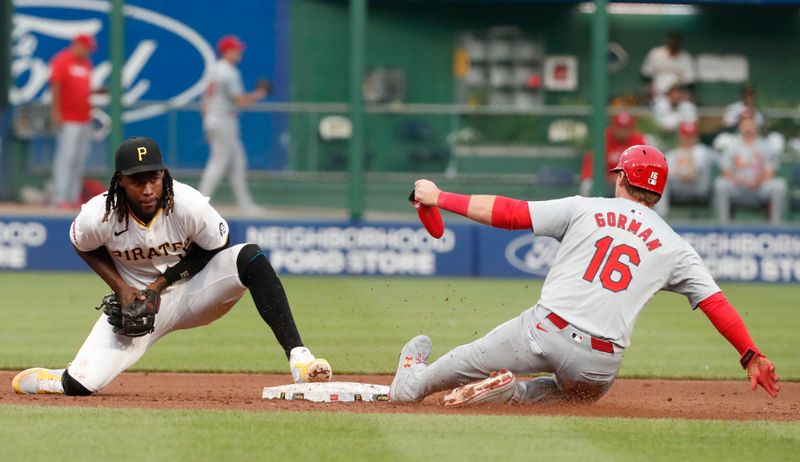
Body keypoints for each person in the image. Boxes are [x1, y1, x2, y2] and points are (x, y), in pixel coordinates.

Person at [390, 145, 779, 407]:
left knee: (472, 356)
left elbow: (510, 213)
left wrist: (441, 197)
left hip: (545, 332)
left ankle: (411, 387)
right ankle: (512, 395)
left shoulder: (584, 208)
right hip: (599, 364)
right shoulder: (676, 246)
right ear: (657, 194)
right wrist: (750, 355)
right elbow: (715, 303)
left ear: (621, 178)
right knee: (575, 396)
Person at [12, 136, 331, 395]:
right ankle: (59, 378)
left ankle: (299, 358)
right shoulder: (99, 215)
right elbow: (81, 244)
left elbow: (218, 245)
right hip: (137, 308)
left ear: (163, 174)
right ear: (121, 181)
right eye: (138, 181)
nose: (148, 188)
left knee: (249, 257)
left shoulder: (188, 204)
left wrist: (158, 286)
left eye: (154, 177)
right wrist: (122, 288)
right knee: (81, 386)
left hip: (195, 290)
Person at [199, 35, 270, 215]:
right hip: (224, 119)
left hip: (214, 117)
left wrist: (206, 124)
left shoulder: (214, 68)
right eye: (236, 50)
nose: (239, 53)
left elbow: (204, 99)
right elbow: (240, 101)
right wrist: (259, 94)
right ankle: (199, 204)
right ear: (227, 51)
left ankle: (246, 205)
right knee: (218, 164)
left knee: (237, 162)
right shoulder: (229, 72)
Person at [49, 34, 96, 208]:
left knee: (79, 158)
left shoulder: (86, 64)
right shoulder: (62, 60)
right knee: (65, 157)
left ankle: (72, 196)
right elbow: (56, 86)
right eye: (87, 48)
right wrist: (56, 111)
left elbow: (83, 89)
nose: (88, 52)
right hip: (68, 118)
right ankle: (59, 196)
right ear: (78, 45)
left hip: (84, 116)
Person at [714, 116, 787, 226]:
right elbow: (726, 172)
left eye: (751, 125)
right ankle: (723, 226)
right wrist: (737, 180)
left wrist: (758, 180)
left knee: (779, 185)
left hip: (760, 189)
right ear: (740, 127)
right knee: (721, 184)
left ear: (756, 127)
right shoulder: (732, 146)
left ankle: (775, 227)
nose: (748, 128)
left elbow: (770, 173)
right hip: (737, 188)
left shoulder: (766, 146)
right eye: (745, 125)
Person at [655, 121, 717, 217]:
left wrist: (688, 158)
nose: (688, 139)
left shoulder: (702, 151)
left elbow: (693, 176)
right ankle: (660, 216)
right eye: (685, 136)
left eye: (691, 136)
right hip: (679, 185)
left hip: (698, 187)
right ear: (680, 137)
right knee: (660, 177)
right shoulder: (672, 154)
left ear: (696, 137)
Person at [580, 112, 646, 196]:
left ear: (632, 128)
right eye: (620, 127)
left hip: (630, 184)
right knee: (587, 184)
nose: (623, 131)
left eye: (626, 128)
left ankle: (658, 210)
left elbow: (644, 169)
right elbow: (591, 167)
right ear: (613, 127)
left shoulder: (639, 141)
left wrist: (623, 179)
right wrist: (608, 178)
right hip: (605, 182)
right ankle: (587, 209)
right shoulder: (603, 138)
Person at [640, 31, 696, 103]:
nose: (673, 42)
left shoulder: (686, 58)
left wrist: (683, 95)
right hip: (656, 94)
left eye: (676, 40)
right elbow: (646, 74)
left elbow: (689, 82)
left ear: (680, 42)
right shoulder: (656, 53)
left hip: (677, 98)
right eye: (671, 39)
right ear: (667, 40)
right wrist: (649, 88)